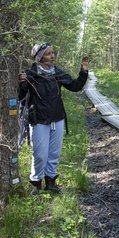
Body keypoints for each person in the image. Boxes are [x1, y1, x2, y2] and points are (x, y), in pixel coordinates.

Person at [18, 43, 89, 192]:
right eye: (48, 53)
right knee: (40, 154)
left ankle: (50, 183)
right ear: (40, 57)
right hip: (38, 119)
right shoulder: (30, 75)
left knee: (54, 154)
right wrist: (22, 84)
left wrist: (83, 71)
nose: (52, 56)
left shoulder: (57, 72)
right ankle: (36, 183)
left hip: (57, 118)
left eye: (53, 53)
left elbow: (75, 86)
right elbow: (21, 97)